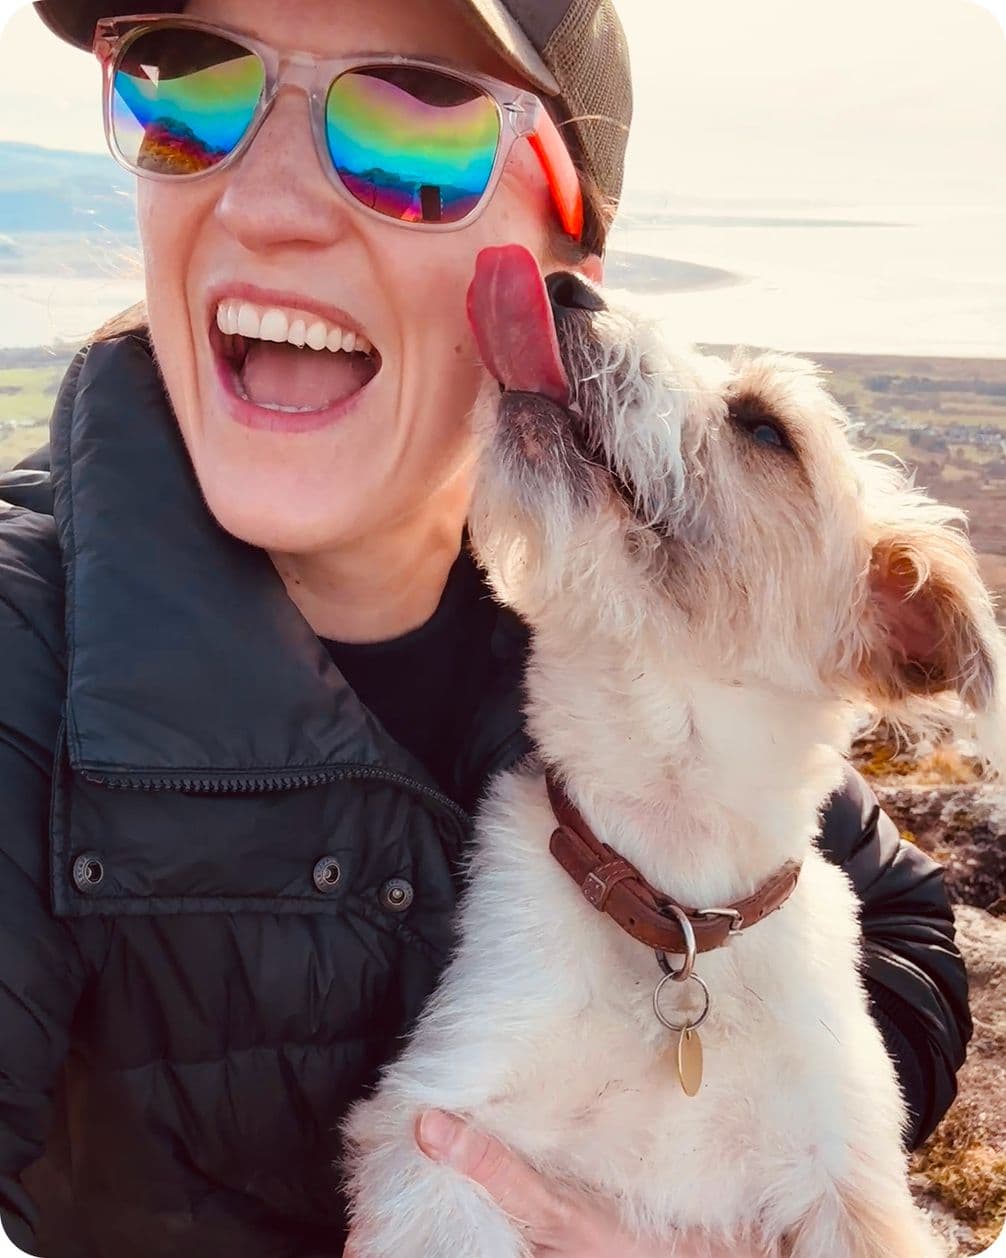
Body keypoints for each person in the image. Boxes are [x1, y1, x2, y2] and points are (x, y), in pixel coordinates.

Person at [0, 0, 971, 1255]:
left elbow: (896, 920)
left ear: (566, 277)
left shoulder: (642, 617)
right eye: (184, 94)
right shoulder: (26, 643)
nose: (265, 206)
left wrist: (728, 1144)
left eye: (414, 128)